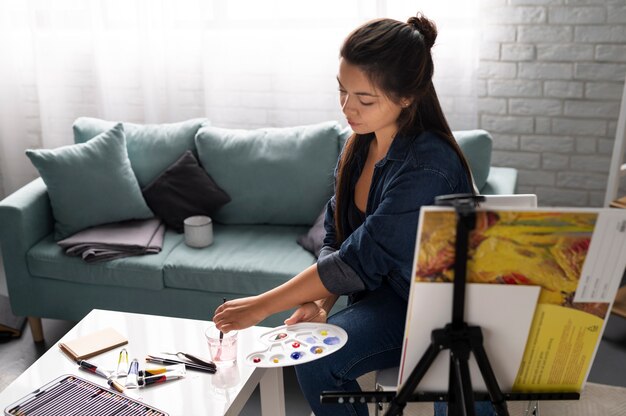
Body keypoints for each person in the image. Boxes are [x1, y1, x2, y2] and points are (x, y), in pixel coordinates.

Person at [214, 13, 494, 416]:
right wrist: (322, 302)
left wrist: (261, 305)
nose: (348, 107)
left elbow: (360, 258)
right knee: (313, 358)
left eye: (364, 99)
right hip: (391, 298)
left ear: (407, 97)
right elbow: (336, 238)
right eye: (342, 91)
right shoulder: (359, 145)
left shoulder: (427, 168)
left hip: (440, 310)